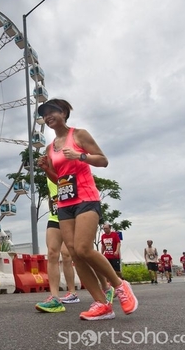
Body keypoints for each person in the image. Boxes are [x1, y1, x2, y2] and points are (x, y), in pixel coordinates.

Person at [37, 98, 137, 321]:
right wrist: (46, 169)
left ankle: (120, 286)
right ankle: (102, 304)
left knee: (83, 248)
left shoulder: (79, 135)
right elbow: (59, 177)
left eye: (52, 111)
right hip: (64, 203)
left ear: (64, 113)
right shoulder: (49, 148)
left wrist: (80, 155)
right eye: (44, 114)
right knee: (74, 254)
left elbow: (103, 161)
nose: (48, 116)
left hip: (86, 197)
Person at [35, 179, 81, 313]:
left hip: (71, 216)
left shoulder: (69, 165)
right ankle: (55, 298)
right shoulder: (48, 172)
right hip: (55, 216)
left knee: (72, 254)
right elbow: (51, 194)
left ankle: (75, 291)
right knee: (52, 253)